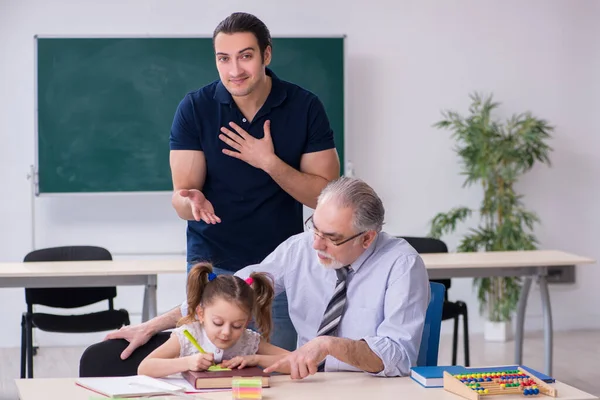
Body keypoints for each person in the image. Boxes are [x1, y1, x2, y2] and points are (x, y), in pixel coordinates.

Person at [79, 177, 430, 379]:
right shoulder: (301, 248)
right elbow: (236, 287)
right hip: (306, 382)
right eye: (315, 229)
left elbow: (398, 356)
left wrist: (329, 345)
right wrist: (156, 324)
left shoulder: (402, 265)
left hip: (369, 386)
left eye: (332, 238)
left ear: (367, 238)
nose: (317, 244)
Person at [169, 11, 340, 352]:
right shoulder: (195, 108)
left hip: (279, 271)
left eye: (245, 56)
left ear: (266, 54)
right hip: (212, 268)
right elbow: (182, 200)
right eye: (224, 59)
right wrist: (192, 202)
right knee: (210, 369)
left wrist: (269, 163)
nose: (235, 70)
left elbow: (324, 198)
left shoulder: (304, 107)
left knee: (279, 370)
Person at [138, 263, 290, 378]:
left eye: (237, 326)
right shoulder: (188, 336)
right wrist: (187, 363)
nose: (226, 332)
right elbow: (144, 368)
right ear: (201, 314)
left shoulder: (248, 340)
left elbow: (294, 362)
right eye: (218, 323)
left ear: (247, 321)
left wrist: (256, 359)